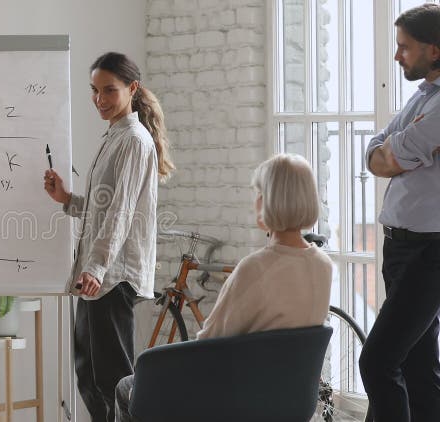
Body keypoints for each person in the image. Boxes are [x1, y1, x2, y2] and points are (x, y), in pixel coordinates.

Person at [114, 154, 333, 422]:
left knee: (128, 387)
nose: (256, 202)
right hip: (291, 404)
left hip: (238, 401)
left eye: (260, 194)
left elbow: (209, 344)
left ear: (270, 201)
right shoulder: (323, 266)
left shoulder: (256, 268)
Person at [43, 51, 174, 422]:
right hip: (97, 276)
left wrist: (97, 267)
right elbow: (104, 206)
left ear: (132, 88)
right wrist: (67, 199)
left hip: (112, 277)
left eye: (109, 90)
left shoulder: (133, 140)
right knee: (89, 375)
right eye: (94, 91)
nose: (99, 99)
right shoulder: (115, 136)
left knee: (114, 380)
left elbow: (121, 213)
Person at [361, 4, 440, 421]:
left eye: (404, 48)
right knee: (418, 367)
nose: (397, 56)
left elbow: (390, 158)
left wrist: (389, 153)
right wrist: (386, 152)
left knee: (376, 362)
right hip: (402, 249)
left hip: (428, 252)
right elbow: (376, 150)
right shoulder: (422, 96)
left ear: (435, 49)